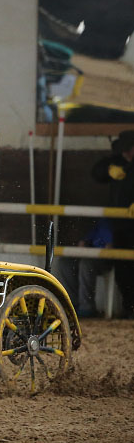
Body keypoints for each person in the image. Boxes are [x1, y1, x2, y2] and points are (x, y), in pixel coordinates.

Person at [91, 130, 134, 317]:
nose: (125, 153)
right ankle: (129, 307)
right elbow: (97, 173)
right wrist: (107, 169)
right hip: (121, 226)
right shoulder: (117, 162)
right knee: (123, 270)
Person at [58, 218, 113, 317]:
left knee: (86, 263)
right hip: (90, 255)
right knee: (65, 262)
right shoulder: (101, 221)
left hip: (106, 259)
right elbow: (83, 243)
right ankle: (71, 304)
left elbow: (110, 246)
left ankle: (87, 308)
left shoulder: (115, 220)